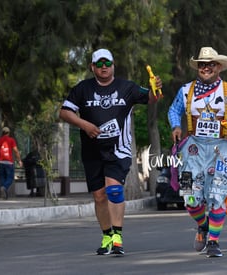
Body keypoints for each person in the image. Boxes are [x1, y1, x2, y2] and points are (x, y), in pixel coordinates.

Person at [59, 48, 162, 256]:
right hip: (92, 150)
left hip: (118, 149)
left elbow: (152, 98)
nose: (104, 67)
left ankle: (117, 237)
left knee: (113, 191)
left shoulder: (127, 87)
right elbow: (64, 112)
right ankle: (106, 235)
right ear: (92, 67)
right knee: (99, 197)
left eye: (108, 63)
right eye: (100, 64)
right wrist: (85, 125)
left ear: (113, 65)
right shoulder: (83, 89)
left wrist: (155, 89)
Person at [168, 46, 227, 257]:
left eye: (210, 64)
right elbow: (173, 110)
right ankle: (203, 226)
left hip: (221, 147)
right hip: (192, 149)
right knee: (189, 196)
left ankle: (214, 242)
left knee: (219, 195)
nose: (206, 68)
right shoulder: (185, 90)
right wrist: (175, 126)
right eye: (202, 64)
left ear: (219, 67)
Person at [0, 126, 23, 200]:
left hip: (0, 162)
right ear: (8, 133)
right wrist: (19, 160)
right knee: (10, 178)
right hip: (9, 162)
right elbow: (16, 151)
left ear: (2, 133)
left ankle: (4, 194)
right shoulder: (11, 140)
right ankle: (4, 187)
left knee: (2, 177)